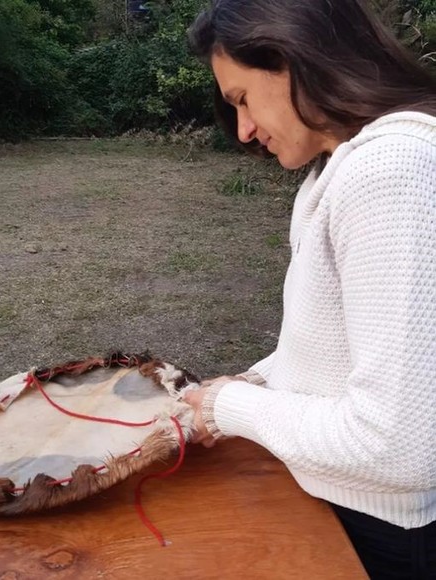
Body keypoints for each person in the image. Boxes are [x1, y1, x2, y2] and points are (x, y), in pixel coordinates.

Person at [183, 1, 436, 577]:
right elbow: (324, 346)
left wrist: (229, 407)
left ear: (292, 56)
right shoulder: (336, 171)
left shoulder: (391, 170)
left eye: (242, 99)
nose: (243, 130)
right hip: (333, 504)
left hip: (380, 534)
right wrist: (252, 380)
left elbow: (399, 450)